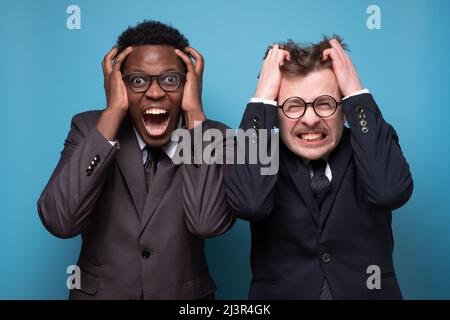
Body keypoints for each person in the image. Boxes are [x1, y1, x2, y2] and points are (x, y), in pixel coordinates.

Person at [38, 20, 234, 300]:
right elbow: (60, 221)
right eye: (137, 80)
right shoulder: (89, 128)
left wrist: (195, 116)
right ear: (118, 83)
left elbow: (207, 222)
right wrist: (112, 113)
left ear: (189, 83)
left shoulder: (214, 136)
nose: (155, 93)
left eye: (170, 79)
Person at [227, 37, 413, 299]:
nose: (311, 119)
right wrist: (262, 99)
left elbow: (390, 193)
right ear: (276, 114)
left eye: (324, 103)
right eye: (293, 106)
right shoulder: (258, 152)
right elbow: (249, 204)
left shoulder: (372, 142)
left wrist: (356, 93)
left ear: (344, 109)